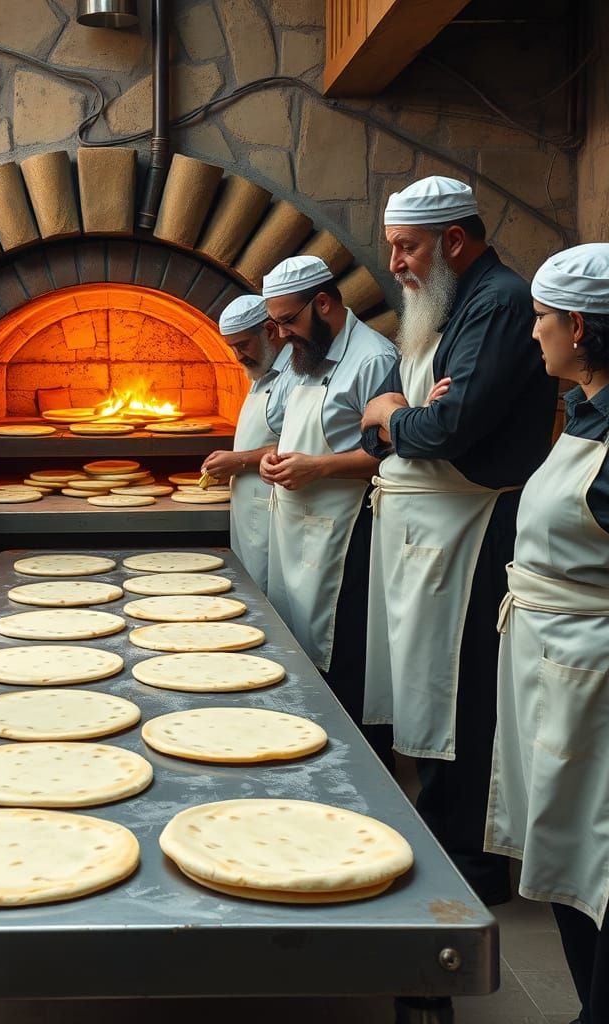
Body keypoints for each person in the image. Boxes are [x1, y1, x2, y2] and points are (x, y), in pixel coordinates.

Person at [360, 175, 557, 905]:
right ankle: (443, 836)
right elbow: (406, 424)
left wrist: (393, 415)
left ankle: (474, 869)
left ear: (452, 241)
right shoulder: (446, 302)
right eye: (391, 248)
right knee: (428, 691)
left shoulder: (500, 303)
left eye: (406, 248)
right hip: (433, 537)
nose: (397, 264)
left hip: (473, 535)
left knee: (459, 697)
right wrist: (396, 416)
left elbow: (446, 428)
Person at [485, 244, 609, 1024]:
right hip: (551, 658)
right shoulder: (588, 410)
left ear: (577, 327)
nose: (532, 335)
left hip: (590, 673)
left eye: (539, 320)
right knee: (561, 846)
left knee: (594, 853)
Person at [258, 256, 396, 766]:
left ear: (323, 303)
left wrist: (317, 468)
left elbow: (390, 455)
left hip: (347, 533)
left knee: (346, 662)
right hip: (297, 529)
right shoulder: (307, 355)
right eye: (275, 325)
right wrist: (277, 458)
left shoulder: (373, 360)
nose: (283, 334)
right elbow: (292, 430)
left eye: (289, 321)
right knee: (296, 653)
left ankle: (356, 770)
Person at [201, 294, 288, 594]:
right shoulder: (261, 370)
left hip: (271, 510)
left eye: (243, 345)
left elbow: (298, 445)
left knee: (265, 593)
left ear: (269, 331)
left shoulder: (292, 375)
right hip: (248, 509)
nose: (238, 356)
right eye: (231, 347)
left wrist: (237, 461)